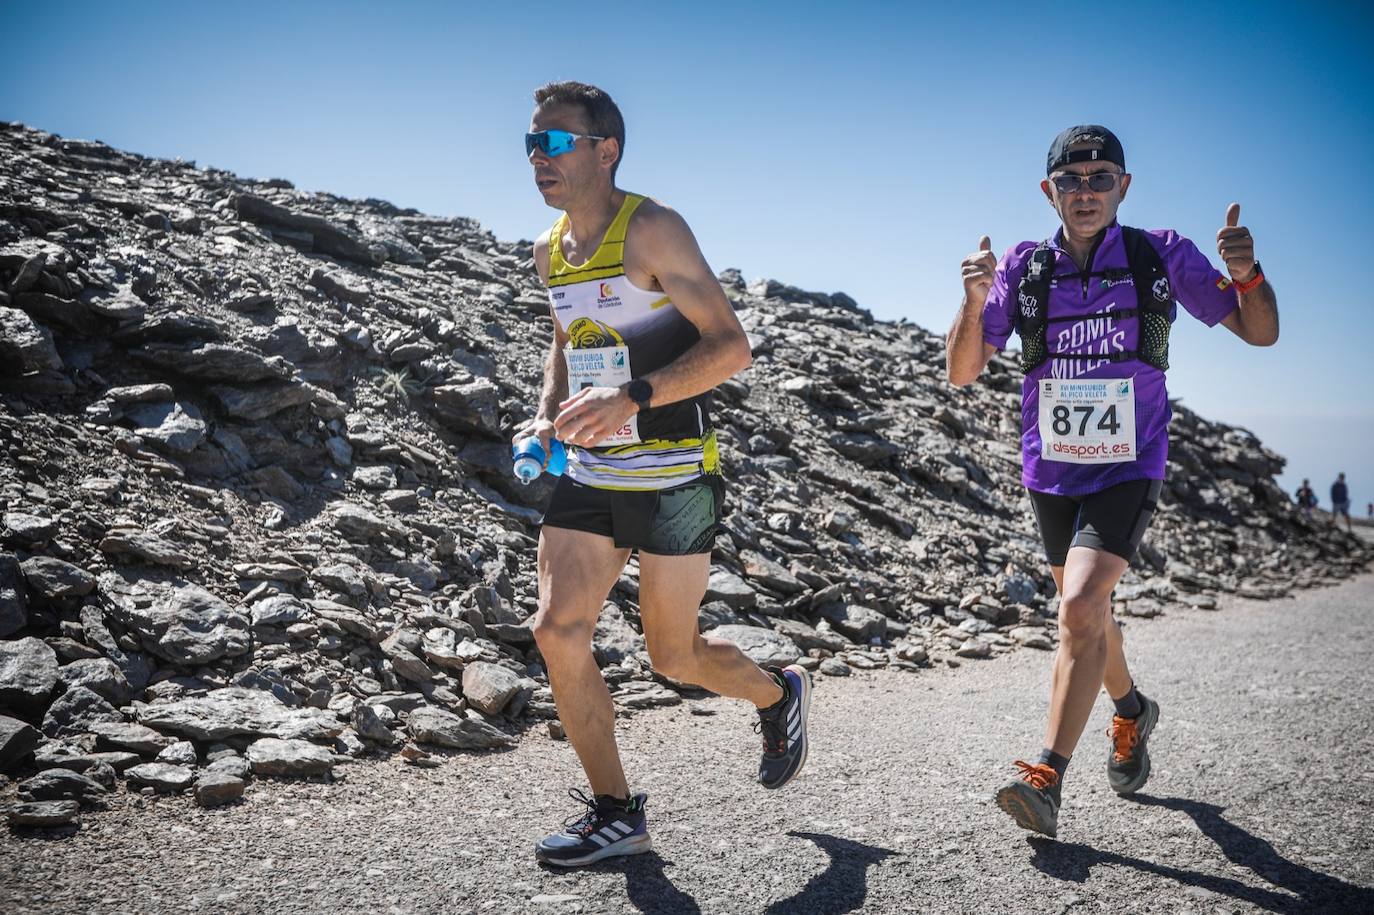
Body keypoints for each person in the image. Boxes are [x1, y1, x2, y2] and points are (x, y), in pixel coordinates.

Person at [945, 125, 1279, 838]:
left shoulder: (1159, 254)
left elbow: (1260, 332)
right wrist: (973, 302)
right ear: (1050, 191)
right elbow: (963, 370)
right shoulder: (1024, 267)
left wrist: (1248, 275)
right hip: (1052, 469)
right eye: (1072, 179)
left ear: (1124, 186)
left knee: (1079, 603)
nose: (1087, 190)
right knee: (1084, 608)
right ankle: (1131, 711)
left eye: (1102, 177)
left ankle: (1045, 775)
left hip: (1131, 461)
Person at [516, 81, 812, 867]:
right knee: (555, 630)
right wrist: (549, 411)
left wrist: (635, 396)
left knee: (673, 658)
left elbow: (730, 346)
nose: (537, 158)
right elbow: (565, 341)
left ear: (604, 149)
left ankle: (778, 693)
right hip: (592, 473)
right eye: (530, 144)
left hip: (677, 476)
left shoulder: (651, 229)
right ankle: (617, 812)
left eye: (554, 143)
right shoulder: (549, 249)